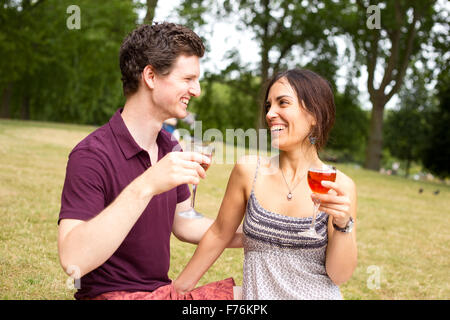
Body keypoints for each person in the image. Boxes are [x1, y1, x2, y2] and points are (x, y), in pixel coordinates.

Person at [57, 22, 242, 300]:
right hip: (112, 296)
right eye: (188, 79)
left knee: (260, 294)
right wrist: (147, 185)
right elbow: (74, 260)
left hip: (160, 293)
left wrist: (260, 233)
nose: (197, 90)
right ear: (151, 76)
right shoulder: (91, 155)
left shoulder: (170, 147)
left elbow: (185, 222)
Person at [173, 69, 357, 299]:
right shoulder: (249, 171)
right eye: (269, 106)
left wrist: (342, 224)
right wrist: (176, 290)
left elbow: (339, 276)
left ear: (314, 115)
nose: (271, 114)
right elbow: (219, 234)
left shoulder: (338, 184)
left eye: (283, 103)